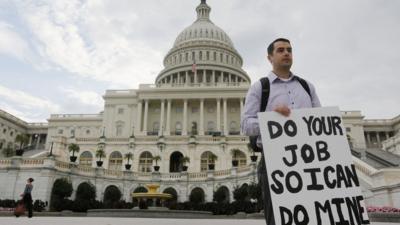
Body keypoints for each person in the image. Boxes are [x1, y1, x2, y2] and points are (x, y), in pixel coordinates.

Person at [241, 38, 321, 225]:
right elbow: (246, 125)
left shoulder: (307, 87)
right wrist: (272, 120)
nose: (286, 53)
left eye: (289, 50)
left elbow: (319, 120)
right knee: (279, 216)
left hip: (308, 157)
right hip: (274, 157)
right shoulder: (260, 87)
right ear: (270, 57)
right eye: (280, 50)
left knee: (312, 212)